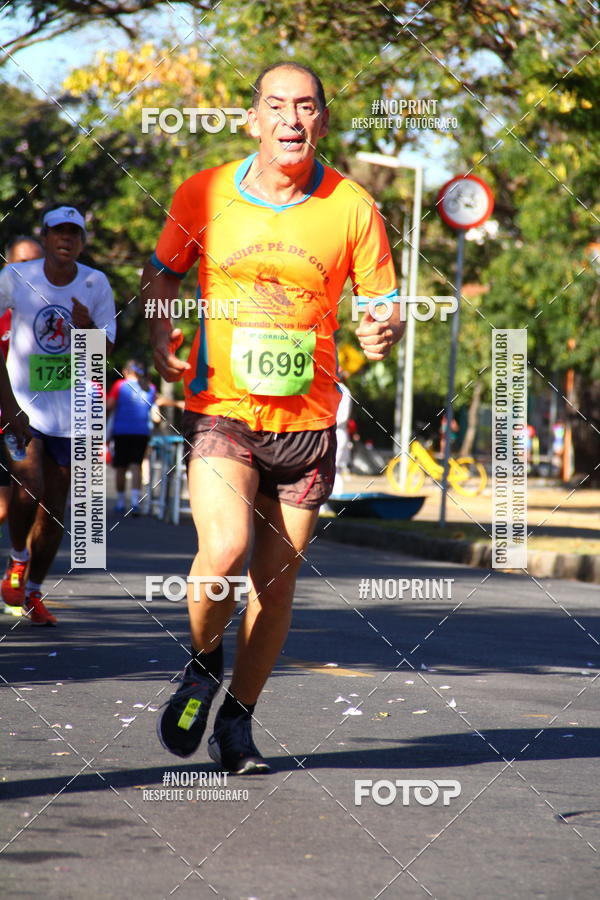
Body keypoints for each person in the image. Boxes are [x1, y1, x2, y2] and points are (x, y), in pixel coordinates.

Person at [143, 62, 403, 773]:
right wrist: (162, 326)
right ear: (253, 118)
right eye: (277, 105)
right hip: (222, 408)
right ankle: (202, 664)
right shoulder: (204, 193)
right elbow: (165, 269)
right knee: (222, 553)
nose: (293, 119)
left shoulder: (352, 207)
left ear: (322, 119)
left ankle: (239, 720)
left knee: (275, 585)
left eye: (308, 107)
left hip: (309, 422)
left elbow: (382, 301)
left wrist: (385, 329)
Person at [0, 204, 116, 624]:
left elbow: (104, 355)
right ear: (46, 237)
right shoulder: (16, 277)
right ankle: (16, 561)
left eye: (75, 234)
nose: (66, 240)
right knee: (27, 487)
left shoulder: (95, 283)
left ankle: (32, 592)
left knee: (55, 511)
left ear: (82, 242)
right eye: (58, 232)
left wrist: (87, 331)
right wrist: (9, 404)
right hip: (24, 405)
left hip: (74, 413)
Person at [0, 237, 44, 616]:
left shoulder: (49, 311)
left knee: (32, 496)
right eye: (20, 264)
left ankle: (25, 584)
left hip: (31, 418)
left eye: (35, 263)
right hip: (4, 412)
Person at [107, 360, 159, 515]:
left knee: (121, 467)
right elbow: (155, 412)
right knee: (137, 464)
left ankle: (121, 502)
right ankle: (136, 502)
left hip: (121, 431)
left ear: (126, 371)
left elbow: (109, 406)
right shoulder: (150, 387)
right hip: (141, 431)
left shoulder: (120, 385)